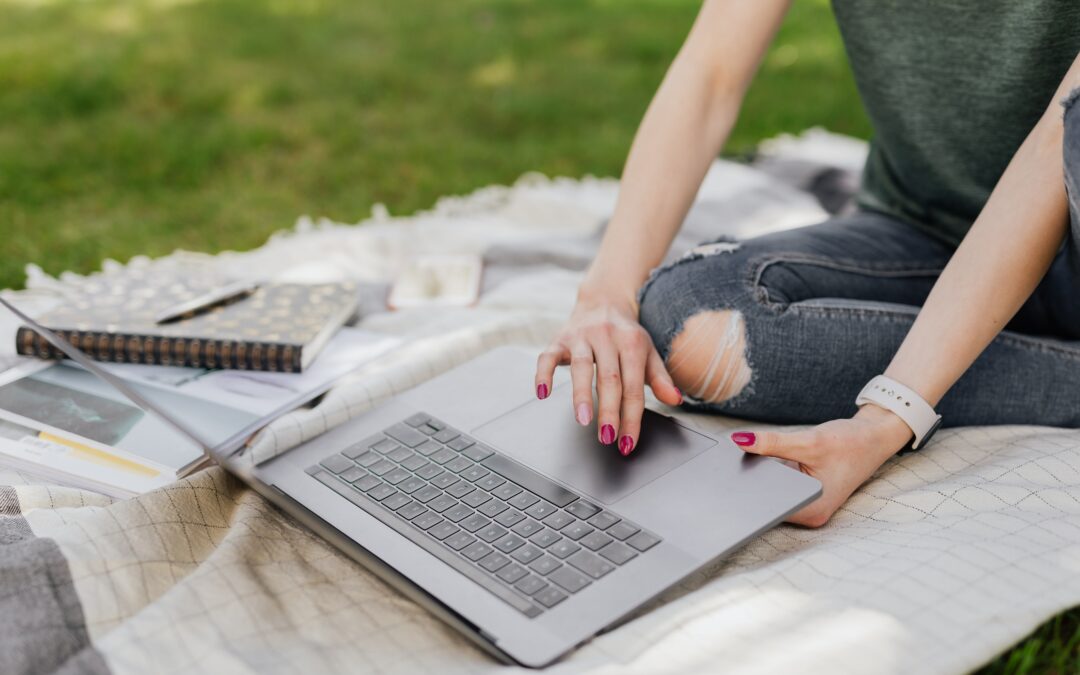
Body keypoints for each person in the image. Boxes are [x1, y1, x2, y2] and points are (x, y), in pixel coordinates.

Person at [533, 0, 1080, 527]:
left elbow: (1050, 150)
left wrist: (882, 422)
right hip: (924, 228)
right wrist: (606, 295)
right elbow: (712, 70)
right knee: (697, 327)